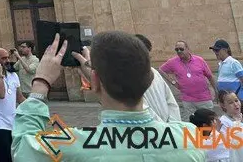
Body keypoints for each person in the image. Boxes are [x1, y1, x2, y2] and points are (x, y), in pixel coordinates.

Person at [12, 31, 204, 160]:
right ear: (148, 80)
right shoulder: (189, 136)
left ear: (94, 81)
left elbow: (23, 147)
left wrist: (41, 84)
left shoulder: (74, 145)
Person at [161, 40, 217, 120]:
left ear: (187, 49)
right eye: (177, 50)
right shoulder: (173, 62)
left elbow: (210, 76)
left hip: (204, 99)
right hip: (188, 101)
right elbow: (161, 70)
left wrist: (215, 90)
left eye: (181, 49)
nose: (179, 51)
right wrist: (174, 82)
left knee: (208, 123)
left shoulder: (199, 60)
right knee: (191, 125)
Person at [135, 34, 180, 122]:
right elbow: (142, 107)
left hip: (170, 125)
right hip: (152, 128)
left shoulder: (154, 73)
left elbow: (170, 100)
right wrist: (161, 126)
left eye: (147, 53)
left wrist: (173, 123)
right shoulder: (128, 78)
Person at [218, 90, 243, 162]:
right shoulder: (223, 122)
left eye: (236, 100)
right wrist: (237, 123)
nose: (236, 104)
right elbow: (227, 145)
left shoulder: (241, 116)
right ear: (223, 105)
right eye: (230, 103)